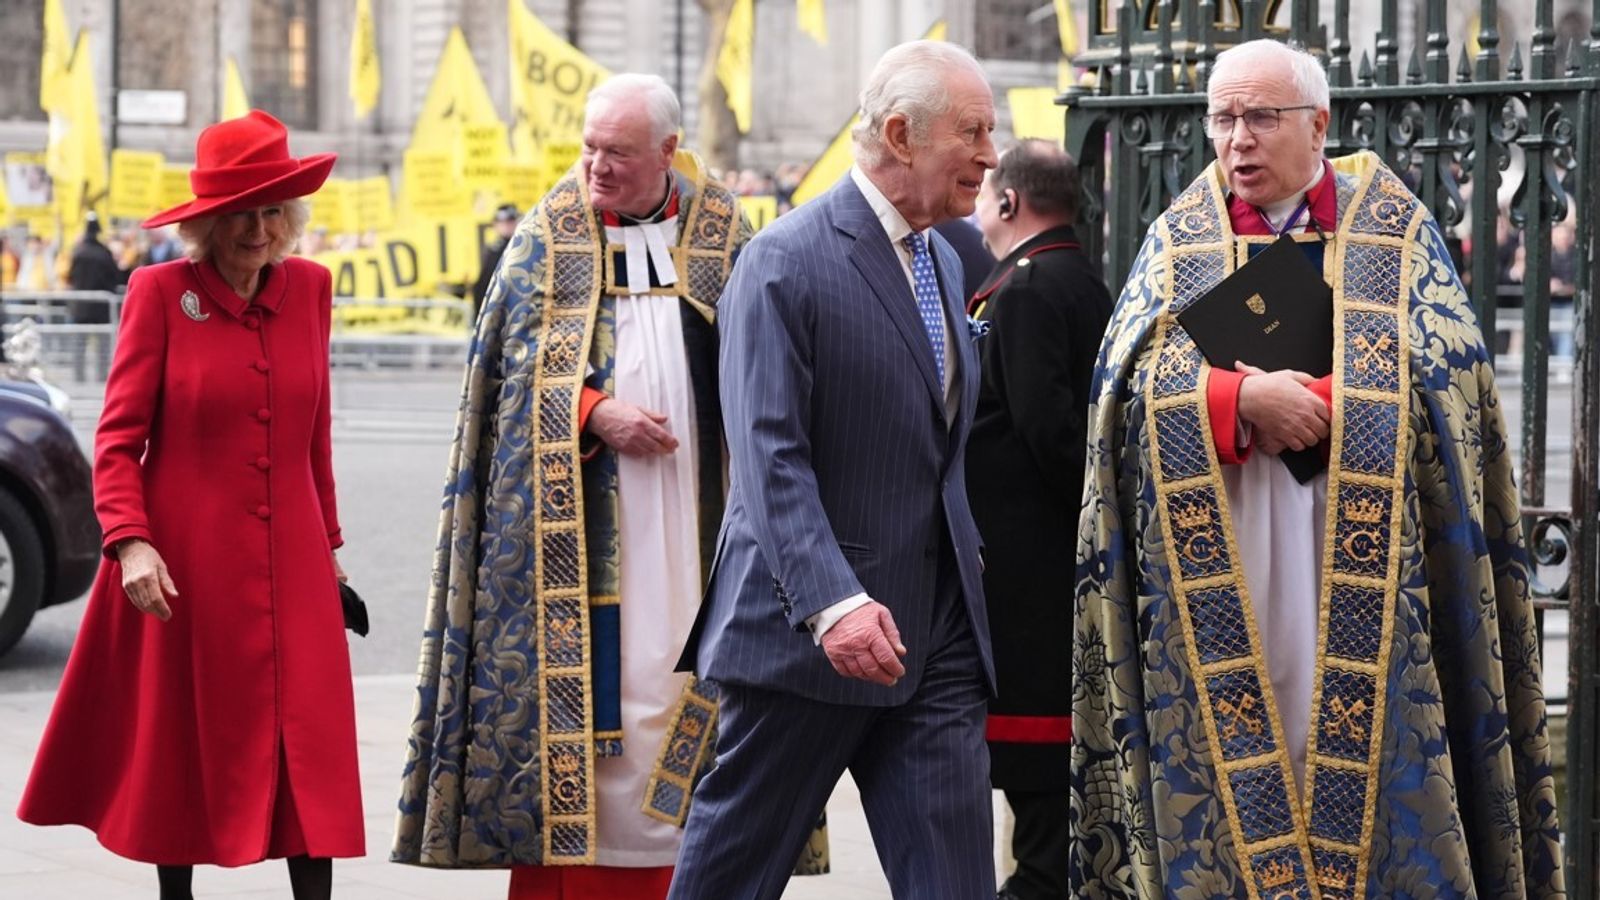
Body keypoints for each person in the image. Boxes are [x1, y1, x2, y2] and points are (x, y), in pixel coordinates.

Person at [1071, 39, 1565, 898]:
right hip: (1222, 564)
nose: (1238, 141)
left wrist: (1341, 400)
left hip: (1370, 579)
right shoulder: (1177, 240)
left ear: (1319, 123)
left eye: (1261, 117)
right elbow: (1123, 391)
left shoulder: (1395, 233)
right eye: (1222, 119)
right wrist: (1235, 402)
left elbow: (1454, 383)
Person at [392, 73, 751, 900]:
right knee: (609, 698)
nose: (595, 168)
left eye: (617, 153)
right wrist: (590, 410)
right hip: (587, 537)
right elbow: (505, 377)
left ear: (667, 152)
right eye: (588, 148)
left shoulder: (726, 231)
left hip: (700, 525)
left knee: (686, 682)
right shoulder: (546, 236)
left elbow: (771, 354)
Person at [669, 39, 998, 899]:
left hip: (936, 643)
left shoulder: (946, 255)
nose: (990, 155)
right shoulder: (785, 259)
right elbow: (768, 457)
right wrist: (834, 605)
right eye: (972, 131)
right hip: (807, 641)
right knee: (729, 880)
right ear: (900, 133)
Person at [16, 109, 363, 900]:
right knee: (184, 747)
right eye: (241, 211)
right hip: (186, 563)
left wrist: (332, 551)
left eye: (274, 209)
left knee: (308, 747)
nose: (259, 227)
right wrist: (131, 542)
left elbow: (317, 437)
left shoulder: (311, 287)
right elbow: (116, 441)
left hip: (298, 560)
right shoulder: (159, 292)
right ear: (207, 221)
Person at [966, 139, 1109, 900]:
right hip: (1054, 558)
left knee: (1038, 779)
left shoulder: (1024, 289)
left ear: (1010, 202)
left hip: (1030, 567)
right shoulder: (1078, 275)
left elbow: (1050, 431)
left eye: (985, 191)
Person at [471, 202, 520, 315]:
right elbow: (482, 287)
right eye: (502, 222)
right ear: (495, 224)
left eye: (510, 221)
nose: (506, 226)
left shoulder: (525, 247)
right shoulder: (493, 251)